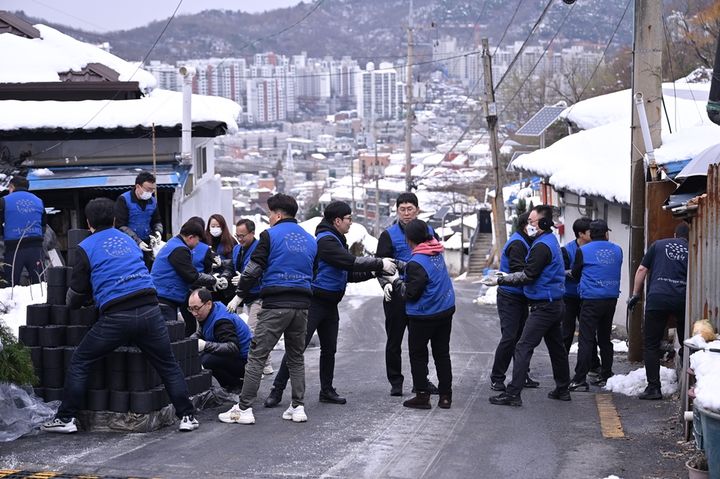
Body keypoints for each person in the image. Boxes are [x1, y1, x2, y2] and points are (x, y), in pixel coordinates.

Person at [41, 198, 197, 434]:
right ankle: (187, 416)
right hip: (150, 309)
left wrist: (73, 305)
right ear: (114, 220)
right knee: (167, 364)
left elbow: (78, 293)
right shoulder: (130, 241)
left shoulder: (86, 247)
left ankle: (66, 418)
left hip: (116, 316)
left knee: (81, 360)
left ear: (88, 223)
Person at [264, 201, 396, 408]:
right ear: (337, 220)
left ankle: (326, 390)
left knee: (329, 349)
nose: (351, 223)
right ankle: (277, 390)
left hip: (330, 304)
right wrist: (379, 263)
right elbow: (349, 261)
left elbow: (347, 273)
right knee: (297, 348)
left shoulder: (337, 239)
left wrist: (374, 272)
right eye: (349, 218)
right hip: (315, 302)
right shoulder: (326, 241)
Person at [219, 194, 317, 425]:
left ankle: (243, 408)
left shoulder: (269, 236)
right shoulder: (310, 240)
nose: (269, 218)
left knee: (257, 356)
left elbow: (253, 270)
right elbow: (315, 269)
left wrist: (240, 291)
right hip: (302, 305)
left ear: (278, 214)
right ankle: (298, 406)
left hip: (275, 304)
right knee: (295, 356)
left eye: (270, 214)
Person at [486, 205, 571, 407]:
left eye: (532, 222)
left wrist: (502, 280)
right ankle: (562, 389)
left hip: (544, 305)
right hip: (554, 302)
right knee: (557, 348)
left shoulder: (541, 247)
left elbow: (528, 275)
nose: (529, 225)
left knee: (523, 346)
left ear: (543, 223)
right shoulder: (550, 241)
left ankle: (513, 393)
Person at [387, 219, 454, 410]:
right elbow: (422, 271)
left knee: (418, 354)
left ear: (409, 239)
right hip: (445, 310)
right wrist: (401, 265)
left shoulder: (416, 262)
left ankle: (422, 396)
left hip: (424, 315)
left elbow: (411, 292)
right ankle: (445, 397)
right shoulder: (436, 251)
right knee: (442, 354)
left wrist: (396, 282)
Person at [376, 192, 438, 397]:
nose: (406, 213)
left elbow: (436, 261)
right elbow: (380, 266)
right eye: (402, 209)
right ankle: (396, 381)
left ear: (417, 210)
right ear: (397, 211)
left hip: (420, 295)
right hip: (395, 295)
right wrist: (386, 284)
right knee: (394, 340)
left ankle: (421, 380)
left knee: (419, 341)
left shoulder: (429, 231)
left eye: (409, 209)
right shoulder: (389, 235)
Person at [628, 222, 689, 400]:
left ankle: (654, 388)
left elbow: (642, 269)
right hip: (682, 298)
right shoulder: (693, 249)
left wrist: (635, 295)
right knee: (687, 341)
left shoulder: (659, 245)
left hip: (658, 297)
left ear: (675, 235)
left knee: (652, 343)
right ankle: (687, 378)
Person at [568, 219, 623, 391]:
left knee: (586, 339)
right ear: (606, 233)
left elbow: (576, 273)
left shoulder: (583, 250)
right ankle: (606, 373)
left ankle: (579, 378)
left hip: (591, 299)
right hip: (611, 298)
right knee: (605, 338)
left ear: (591, 234)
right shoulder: (618, 250)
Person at [489, 212, 539, 392]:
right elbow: (520, 272)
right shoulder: (518, 243)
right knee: (510, 338)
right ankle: (497, 377)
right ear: (526, 225)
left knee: (521, 339)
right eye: (534, 223)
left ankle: (522, 375)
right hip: (510, 296)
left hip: (520, 296)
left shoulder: (526, 241)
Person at [150, 218, 221, 326]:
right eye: (198, 240)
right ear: (191, 237)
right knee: (169, 336)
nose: (198, 244)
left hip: (161, 296)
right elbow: (192, 276)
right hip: (165, 299)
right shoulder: (180, 249)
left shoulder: (173, 243)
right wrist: (213, 280)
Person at [188, 287, 252, 391]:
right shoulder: (211, 310)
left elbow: (232, 348)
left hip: (246, 362)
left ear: (208, 304)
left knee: (207, 360)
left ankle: (235, 385)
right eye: (191, 309)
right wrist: (190, 341)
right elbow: (202, 332)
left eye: (196, 308)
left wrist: (205, 345)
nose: (194, 313)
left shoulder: (222, 321)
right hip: (237, 358)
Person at [232, 218, 273, 375]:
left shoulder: (259, 248)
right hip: (244, 296)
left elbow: (260, 272)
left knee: (253, 330)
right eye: (237, 235)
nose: (240, 239)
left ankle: (260, 366)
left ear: (252, 233)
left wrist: (244, 279)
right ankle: (265, 364)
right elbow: (233, 267)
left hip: (258, 295)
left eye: (243, 235)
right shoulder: (237, 249)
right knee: (254, 331)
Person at [0, 176, 45, 286]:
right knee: (38, 284)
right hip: (36, 247)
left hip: (14, 248)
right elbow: (44, 224)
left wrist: (3, 234)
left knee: (10, 284)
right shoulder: (39, 201)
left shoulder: (4, 201)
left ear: (12, 187)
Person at [114, 171, 163, 269]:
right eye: (148, 189)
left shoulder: (153, 201)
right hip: (128, 245)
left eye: (152, 190)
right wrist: (137, 241)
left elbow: (157, 221)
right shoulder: (124, 199)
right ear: (138, 186)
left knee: (148, 269)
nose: (150, 192)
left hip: (148, 244)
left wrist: (158, 232)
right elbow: (120, 226)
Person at [205, 214, 237, 304]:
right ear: (208, 227)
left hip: (227, 286)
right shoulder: (203, 241)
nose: (215, 228)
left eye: (218, 226)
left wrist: (221, 263)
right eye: (213, 226)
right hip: (209, 284)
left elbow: (234, 262)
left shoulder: (231, 241)